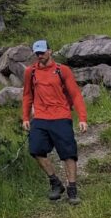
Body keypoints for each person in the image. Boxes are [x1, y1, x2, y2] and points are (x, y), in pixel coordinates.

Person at [21, 39, 88, 205]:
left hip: (61, 116)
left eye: (42, 52)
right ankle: (55, 182)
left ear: (50, 51)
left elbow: (75, 94)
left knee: (68, 153)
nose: (40, 56)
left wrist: (82, 118)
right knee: (35, 149)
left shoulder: (62, 70)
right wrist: (25, 117)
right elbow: (27, 95)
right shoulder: (31, 72)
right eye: (37, 53)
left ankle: (72, 188)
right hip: (41, 118)